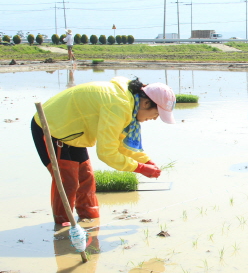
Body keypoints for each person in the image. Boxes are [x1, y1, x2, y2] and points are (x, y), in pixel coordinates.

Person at [31, 77, 176, 224]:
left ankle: (90, 221)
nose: (154, 119)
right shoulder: (119, 105)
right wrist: (139, 168)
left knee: (86, 179)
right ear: (146, 103)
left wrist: (146, 161)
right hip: (51, 128)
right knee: (67, 182)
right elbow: (107, 153)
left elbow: (119, 143)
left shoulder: (129, 102)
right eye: (156, 114)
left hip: (74, 132)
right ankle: (64, 229)